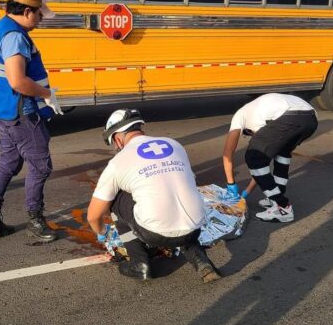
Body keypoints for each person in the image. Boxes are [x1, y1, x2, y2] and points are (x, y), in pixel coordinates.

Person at [87, 109, 221, 283]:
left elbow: (93, 215)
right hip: (194, 229)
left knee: (114, 200)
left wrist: (101, 233)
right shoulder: (174, 144)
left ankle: (139, 263)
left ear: (118, 138)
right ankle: (201, 261)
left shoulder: (117, 163)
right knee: (174, 192)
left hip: (154, 233)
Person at [0, 0, 63, 242]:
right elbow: (17, 81)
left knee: (9, 162)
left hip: (3, 110)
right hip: (20, 112)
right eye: (38, 14)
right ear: (27, 12)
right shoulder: (15, 37)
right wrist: (46, 93)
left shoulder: (2, 26)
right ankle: (35, 219)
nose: (40, 20)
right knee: (40, 166)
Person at [223, 93, 317, 224]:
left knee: (254, 156)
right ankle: (276, 198)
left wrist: (231, 184)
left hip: (291, 117)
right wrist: (246, 192)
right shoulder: (258, 112)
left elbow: (227, 154)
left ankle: (282, 207)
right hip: (310, 118)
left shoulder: (240, 115)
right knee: (282, 153)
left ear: (247, 131)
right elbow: (262, 169)